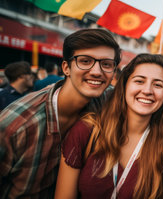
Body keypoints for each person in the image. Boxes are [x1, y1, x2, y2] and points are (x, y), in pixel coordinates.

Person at [0, 28, 121, 198]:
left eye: (106, 64)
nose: (96, 71)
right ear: (66, 67)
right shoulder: (16, 125)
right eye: (85, 61)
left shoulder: (109, 100)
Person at [55, 54, 163, 198]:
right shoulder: (86, 131)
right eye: (139, 81)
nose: (148, 91)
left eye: (158, 85)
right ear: (124, 86)